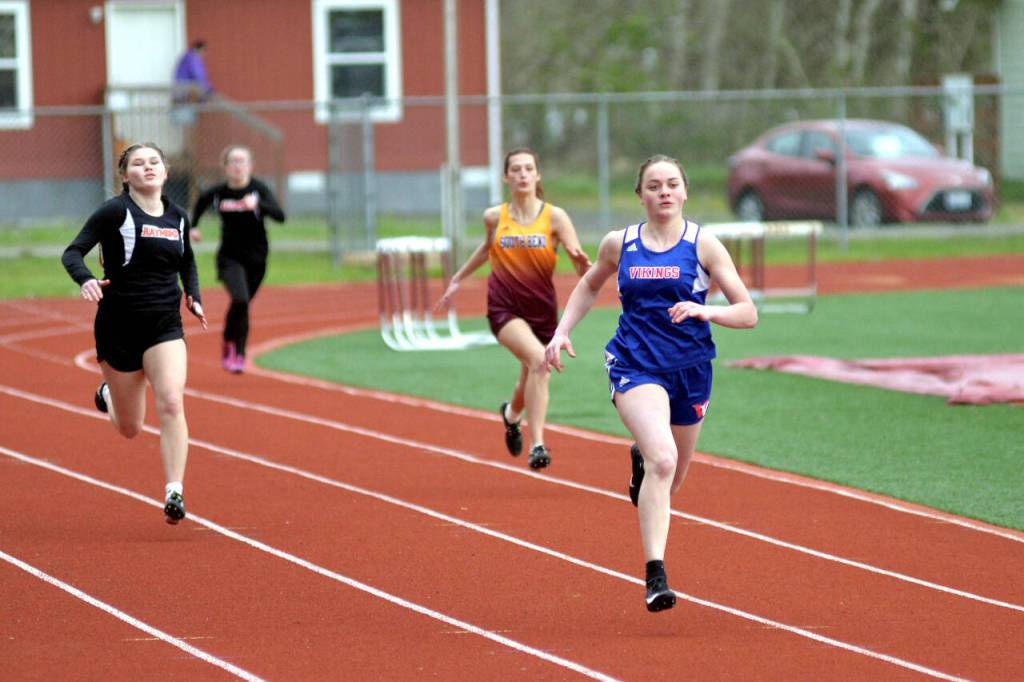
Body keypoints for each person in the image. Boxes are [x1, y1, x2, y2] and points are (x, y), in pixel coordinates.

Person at [544, 154, 758, 612]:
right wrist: (562, 332)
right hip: (635, 364)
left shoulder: (705, 246)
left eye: (672, 184)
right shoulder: (619, 244)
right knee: (664, 460)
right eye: (654, 185)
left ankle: (641, 457)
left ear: (684, 192)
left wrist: (707, 310)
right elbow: (588, 286)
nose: (663, 192)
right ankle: (655, 575)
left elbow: (748, 312)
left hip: (691, 369)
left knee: (672, 477)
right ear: (640, 195)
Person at [61, 142, 208, 525]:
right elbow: (73, 252)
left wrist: (193, 294)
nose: (147, 168)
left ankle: (174, 489)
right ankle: (109, 392)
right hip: (118, 326)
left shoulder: (178, 217)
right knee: (130, 428)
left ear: (165, 171)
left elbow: (187, 263)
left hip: (164, 325)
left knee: (172, 401)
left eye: (154, 162)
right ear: (125, 176)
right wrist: (86, 280)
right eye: (138, 164)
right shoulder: (115, 212)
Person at [436, 148, 591, 469]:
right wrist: (458, 278)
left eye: (528, 168)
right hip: (504, 308)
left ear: (537, 175)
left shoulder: (555, 217)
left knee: (529, 379)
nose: (522, 174)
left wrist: (580, 264)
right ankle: (538, 445)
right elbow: (486, 247)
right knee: (539, 363)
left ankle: (510, 415)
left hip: (542, 310)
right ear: (506, 177)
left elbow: (582, 270)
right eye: (516, 169)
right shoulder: (495, 216)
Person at [190, 145, 286, 373]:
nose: (237, 166)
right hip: (229, 258)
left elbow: (280, 216)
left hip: (257, 258)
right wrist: (193, 227)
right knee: (241, 299)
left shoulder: (258, 190)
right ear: (225, 167)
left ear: (250, 166)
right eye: (233, 161)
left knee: (242, 305)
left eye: (242, 161)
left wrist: (258, 205)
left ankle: (231, 342)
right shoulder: (219, 192)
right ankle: (238, 352)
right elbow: (201, 202)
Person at [172, 40, 214, 104]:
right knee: (185, 109)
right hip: (185, 89)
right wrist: (209, 88)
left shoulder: (188, 56)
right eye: (204, 50)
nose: (204, 53)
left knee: (183, 108)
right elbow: (198, 75)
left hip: (180, 89)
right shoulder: (193, 58)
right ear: (200, 49)